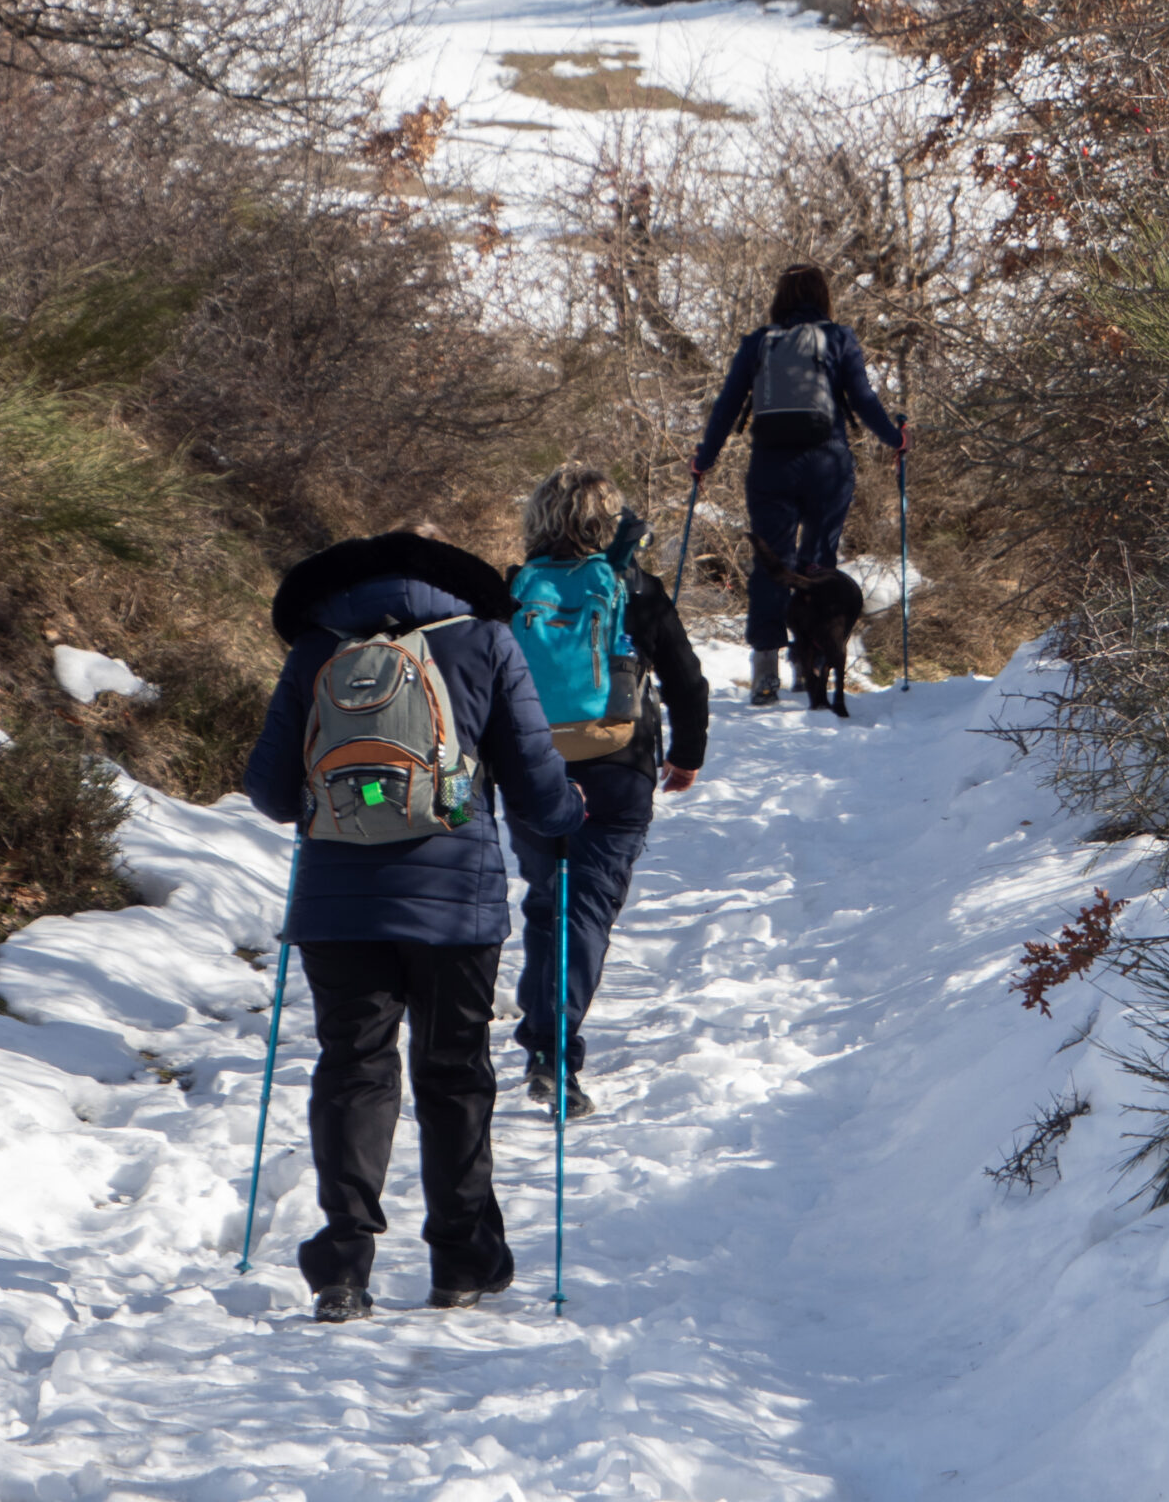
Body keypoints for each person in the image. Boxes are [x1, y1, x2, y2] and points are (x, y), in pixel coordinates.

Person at [243, 525, 585, 1323]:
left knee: (354, 1069)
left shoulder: (316, 650)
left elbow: (268, 790)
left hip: (336, 904)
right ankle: (462, 1260)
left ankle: (344, 1268)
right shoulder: (487, 640)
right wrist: (572, 812)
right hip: (456, 905)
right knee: (454, 1073)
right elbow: (538, 786)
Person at [506, 464, 709, 1116]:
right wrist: (685, 756)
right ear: (607, 522)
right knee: (584, 909)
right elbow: (687, 683)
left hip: (532, 765)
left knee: (548, 897)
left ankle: (542, 1034)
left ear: (537, 520)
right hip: (619, 767)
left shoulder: (513, 592)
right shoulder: (637, 589)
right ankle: (554, 1050)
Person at [691, 262, 905, 706]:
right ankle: (810, 670)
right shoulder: (839, 338)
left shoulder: (758, 343)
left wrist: (703, 460)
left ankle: (765, 672)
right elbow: (863, 398)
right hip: (828, 465)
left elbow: (727, 405)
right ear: (823, 296)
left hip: (771, 468)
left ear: (780, 299)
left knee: (773, 563)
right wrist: (895, 438)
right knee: (817, 566)